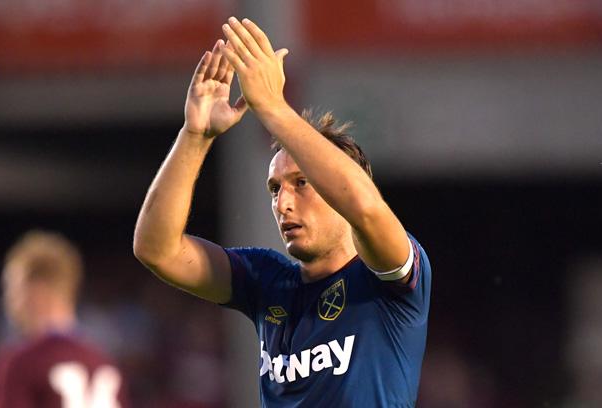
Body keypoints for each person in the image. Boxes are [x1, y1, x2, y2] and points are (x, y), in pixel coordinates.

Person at [133, 17, 431, 407]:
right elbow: (156, 249)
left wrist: (273, 106)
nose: (282, 203)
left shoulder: (388, 280)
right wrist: (195, 136)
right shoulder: (266, 283)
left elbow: (367, 209)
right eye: (275, 189)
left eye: (302, 183)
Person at [0, 230, 131, 408]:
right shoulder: (103, 362)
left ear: (36, 290)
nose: (7, 300)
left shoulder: (21, 363)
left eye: (12, 288)